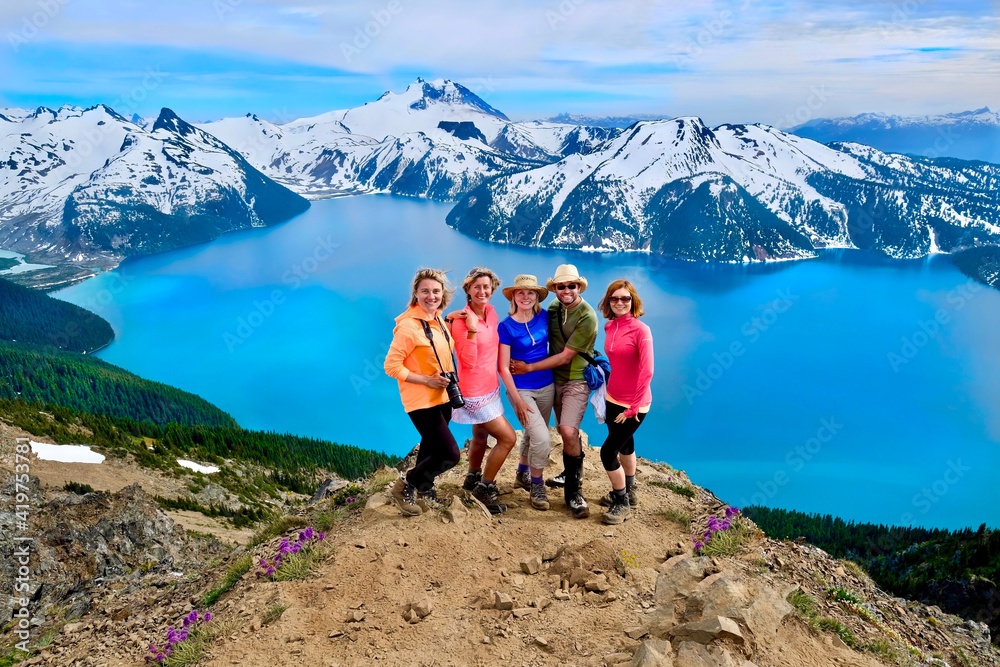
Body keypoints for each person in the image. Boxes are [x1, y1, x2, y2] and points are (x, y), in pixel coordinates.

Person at [511, 264, 597, 519]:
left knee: (567, 430)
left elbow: (564, 357)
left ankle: (574, 491)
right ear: (555, 289)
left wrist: (528, 367)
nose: (567, 290)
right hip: (549, 381)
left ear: (579, 287)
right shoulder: (552, 309)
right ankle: (524, 472)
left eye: (572, 286)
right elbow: (526, 322)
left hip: (574, 380)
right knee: (543, 428)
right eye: (561, 286)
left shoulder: (587, 316)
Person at [384, 268, 461, 516]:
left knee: (430, 447)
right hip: (421, 399)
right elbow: (391, 366)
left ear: (443, 294)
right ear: (415, 293)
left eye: (436, 291)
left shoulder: (438, 319)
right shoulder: (408, 327)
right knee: (449, 453)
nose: (431, 296)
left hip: (442, 395)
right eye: (425, 291)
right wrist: (426, 381)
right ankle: (404, 486)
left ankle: (424, 488)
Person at [446, 267, 518, 514]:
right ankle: (485, 488)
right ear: (467, 289)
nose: (482, 291)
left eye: (486, 286)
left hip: (490, 387)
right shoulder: (460, 321)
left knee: (480, 437)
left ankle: (472, 477)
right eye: (476, 286)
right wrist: (472, 328)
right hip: (474, 392)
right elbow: (467, 361)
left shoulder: (492, 313)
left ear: (493, 289)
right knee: (508, 438)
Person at [596, 279, 654, 525]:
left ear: (633, 302)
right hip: (612, 397)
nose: (620, 302)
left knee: (608, 451)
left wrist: (633, 407)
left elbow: (647, 371)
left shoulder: (642, 330)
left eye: (625, 299)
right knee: (625, 444)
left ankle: (621, 502)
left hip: (635, 404)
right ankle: (630, 491)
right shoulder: (611, 326)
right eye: (615, 298)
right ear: (609, 302)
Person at [497, 275, 554, 511]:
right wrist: (518, 400)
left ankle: (522, 474)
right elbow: (503, 367)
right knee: (542, 438)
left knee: (532, 434)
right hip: (521, 389)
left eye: (531, 293)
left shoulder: (545, 317)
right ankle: (537, 484)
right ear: (513, 296)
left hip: (547, 385)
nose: (526, 297)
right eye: (520, 292)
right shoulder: (506, 326)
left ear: (537, 297)